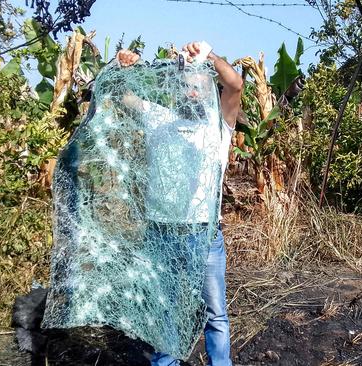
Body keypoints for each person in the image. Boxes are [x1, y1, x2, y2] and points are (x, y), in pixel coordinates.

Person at [117, 42, 242, 366]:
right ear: (174, 88)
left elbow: (236, 85)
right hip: (161, 234)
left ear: (208, 90)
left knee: (215, 314)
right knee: (166, 313)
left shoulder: (218, 128)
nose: (192, 93)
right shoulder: (157, 118)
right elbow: (124, 96)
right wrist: (124, 68)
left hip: (204, 236)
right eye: (185, 86)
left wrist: (209, 55)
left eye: (199, 86)